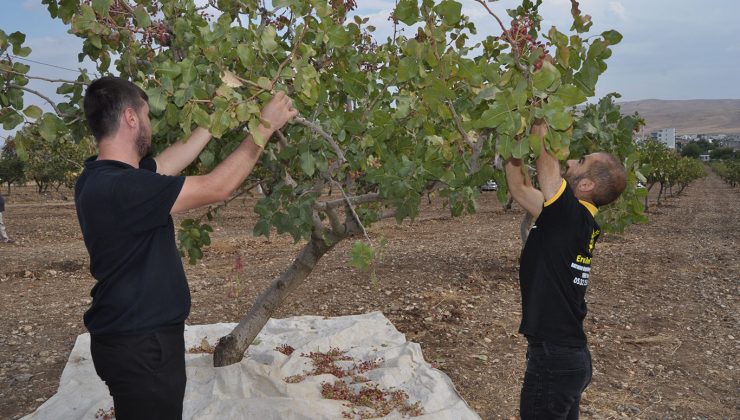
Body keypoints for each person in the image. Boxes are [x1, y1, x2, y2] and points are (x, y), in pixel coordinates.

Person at [75, 76, 296, 419]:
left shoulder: (98, 177)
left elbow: (167, 162)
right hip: (142, 345)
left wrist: (220, 108)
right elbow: (217, 187)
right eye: (146, 114)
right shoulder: (125, 188)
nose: (150, 123)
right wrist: (264, 126)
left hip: (128, 338)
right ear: (131, 118)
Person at [505, 120, 626, 419]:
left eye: (580, 162)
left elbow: (546, 164)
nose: (570, 160)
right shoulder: (569, 219)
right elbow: (520, 189)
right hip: (566, 359)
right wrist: (513, 146)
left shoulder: (570, 217)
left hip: (555, 360)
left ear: (586, 185)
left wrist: (536, 112)